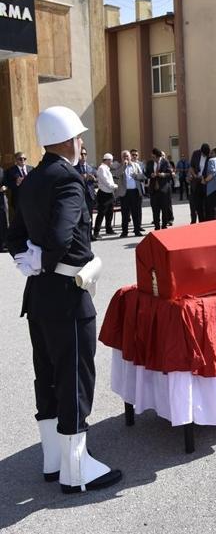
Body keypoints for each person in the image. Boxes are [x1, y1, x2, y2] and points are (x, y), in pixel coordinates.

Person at [7, 106, 122, 493]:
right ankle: (76, 470)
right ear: (71, 139)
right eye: (79, 137)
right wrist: (51, 258)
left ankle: (53, 458)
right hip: (68, 296)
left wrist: (30, 260)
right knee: (75, 377)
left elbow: (13, 236)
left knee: (48, 376)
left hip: (38, 297)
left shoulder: (32, 180)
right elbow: (60, 237)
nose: (81, 143)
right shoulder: (68, 180)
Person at [116, 150, 145, 237]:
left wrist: (136, 176)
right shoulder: (120, 166)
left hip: (135, 192)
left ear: (130, 157)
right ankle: (124, 232)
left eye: (127, 156)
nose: (126, 158)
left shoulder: (135, 165)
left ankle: (137, 230)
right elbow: (117, 175)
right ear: (122, 158)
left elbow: (142, 176)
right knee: (125, 213)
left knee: (135, 212)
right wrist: (124, 167)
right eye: (124, 156)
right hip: (125, 193)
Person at [145, 148, 174, 230]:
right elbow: (146, 173)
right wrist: (151, 175)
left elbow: (170, 174)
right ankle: (157, 226)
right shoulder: (150, 163)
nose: (152, 159)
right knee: (155, 209)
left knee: (164, 208)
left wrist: (163, 174)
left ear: (158, 157)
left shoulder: (165, 162)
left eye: (154, 157)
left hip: (164, 189)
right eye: (152, 157)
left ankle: (164, 225)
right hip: (153, 190)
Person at [93, 153, 118, 239]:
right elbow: (106, 181)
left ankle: (109, 228)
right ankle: (96, 232)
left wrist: (113, 187)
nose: (112, 162)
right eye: (111, 160)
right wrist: (115, 186)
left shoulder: (106, 168)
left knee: (110, 212)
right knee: (101, 213)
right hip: (103, 193)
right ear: (107, 160)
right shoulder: (101, 168)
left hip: (109, 193)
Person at [6, 151, 32, 221]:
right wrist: (16, 183)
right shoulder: (10, 171)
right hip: (18, 200)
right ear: (16, 160)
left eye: (24, 158)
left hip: (31, 199)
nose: (23, 160)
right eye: (20, 159)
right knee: (20, 220)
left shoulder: (31, 169)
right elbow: (7, 185)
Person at [0, 164, 7, 251]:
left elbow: (6, 182)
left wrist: (5, 186)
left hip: (1, 200)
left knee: (2, 221)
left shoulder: (1, 170)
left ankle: (2, 244)